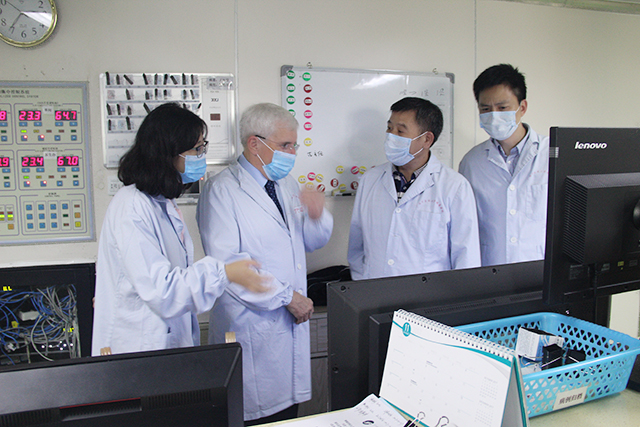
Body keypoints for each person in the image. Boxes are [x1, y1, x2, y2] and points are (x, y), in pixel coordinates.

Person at [91, 103, 266, 357]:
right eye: (197, 149)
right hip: (138, 349)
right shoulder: (131, 206)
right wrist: (224, 272)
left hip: (164, 346)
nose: (201, 156)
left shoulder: (163, 203)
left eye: (202, 147)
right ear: (168, 153)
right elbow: (162, 291)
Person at [196, 103, 333, 424]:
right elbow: (230, 267)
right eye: (285, 145)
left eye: (294, 145)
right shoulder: (222, 190)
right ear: (254, 143)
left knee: (287, 415)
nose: (292, 153)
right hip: (250, 325)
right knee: (252, 414)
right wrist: (287, 297)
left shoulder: (285, 184)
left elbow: (309, 243)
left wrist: (317, 216)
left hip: (289, 323)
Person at [348, 97, 481, 280]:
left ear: (426, 139)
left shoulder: (454, 186)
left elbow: (466, 256)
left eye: (400, 131)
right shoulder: (370, 180)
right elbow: (357, 246)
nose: (391, 136)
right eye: (389, 128)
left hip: (429, 294)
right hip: (375, 290)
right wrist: (363, 284)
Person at [459, 64, 549, 266]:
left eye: (502, 108)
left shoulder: (551, 154)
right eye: (485, 109)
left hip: (540, 271)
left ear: (522, 108)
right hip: (491, 271)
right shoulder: (471, 162)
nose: (493, 115)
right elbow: (466, 224)